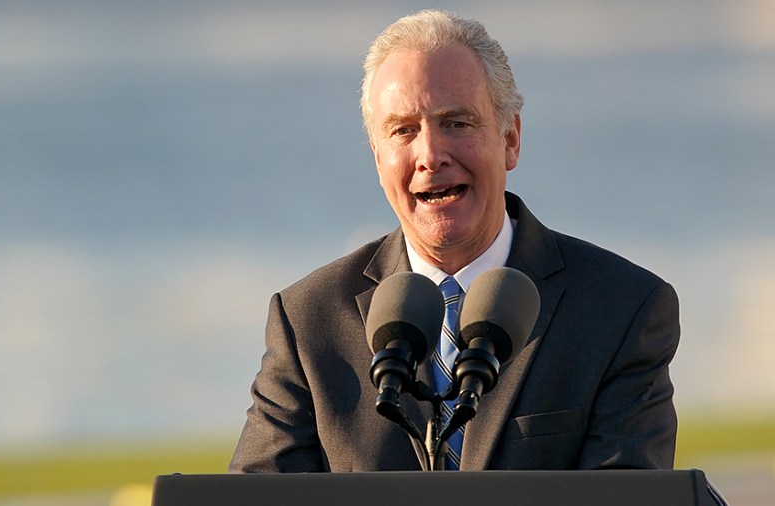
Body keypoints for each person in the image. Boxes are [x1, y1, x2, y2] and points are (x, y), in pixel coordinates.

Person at [229, 9, 680, 472]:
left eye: (456, 123)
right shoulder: (306, 321)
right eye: (403, 131)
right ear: (377, 157)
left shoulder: (623, 310)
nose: (430, 155)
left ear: (510, 138)